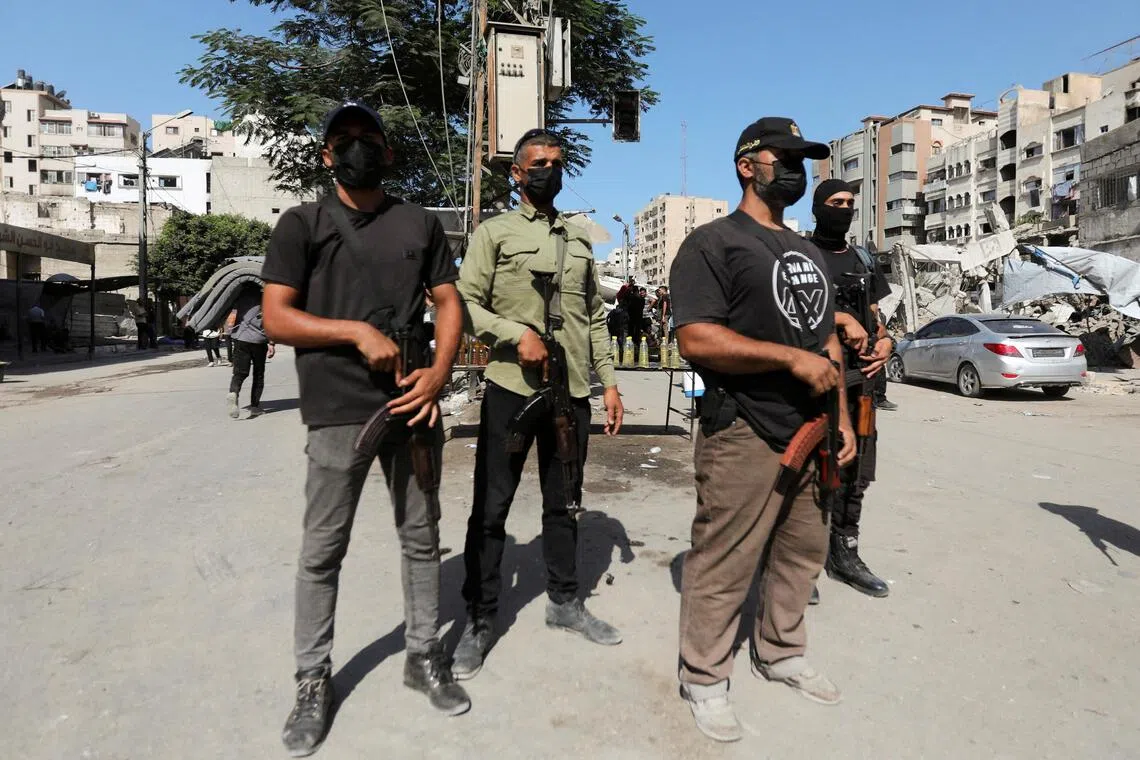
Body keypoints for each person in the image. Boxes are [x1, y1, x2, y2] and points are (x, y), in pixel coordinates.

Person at [261, 100, 470, 757]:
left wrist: (439, 374)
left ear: (386, 149)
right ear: (327, 155)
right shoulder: (303, 223)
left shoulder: (417, 222)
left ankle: (421, 654)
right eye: (344, 140)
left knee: (420, 536)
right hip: (336, 410)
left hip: (412, 405)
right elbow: (276, 317)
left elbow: (448, 300)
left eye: (368, 137)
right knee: (323, 549)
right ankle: (312, 679)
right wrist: (353, 331)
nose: (357, 147)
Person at [669, 117, 856, 742]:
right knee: (726, 555)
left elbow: (824, 335)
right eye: (786, 157)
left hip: (814, 428)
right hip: (743, 427)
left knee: (803, 550)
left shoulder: (804, 250)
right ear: (747, 164)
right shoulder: (712, 243)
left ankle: (779, 651)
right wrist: (785, 359)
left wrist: (844, 418)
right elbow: (696, 337)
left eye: (805, 158)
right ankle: (704, 677)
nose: (797, 169)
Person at [453, 127, 626, 680]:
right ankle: (479, 618)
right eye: (538, 162)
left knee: (565, 501)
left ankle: (564, 601)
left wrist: (610, 381)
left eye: (556, 162)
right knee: (493, 506)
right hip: (512, 387)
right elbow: (463, 302)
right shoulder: (494, 232)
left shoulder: (577, 240)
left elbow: (594, 316)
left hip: (570, 393)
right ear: (517, 172)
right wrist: (514, 334)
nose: (549, 170)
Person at [810, 179, 894, 598]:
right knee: (816, 470)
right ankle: (801, 558)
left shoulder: (863, 258)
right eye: (835, 202)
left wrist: (886, 343)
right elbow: (792, 321)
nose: (844, 209)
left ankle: (844, 552)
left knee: (856, 473)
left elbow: (879, 318)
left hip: (863, 386)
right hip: (817, 382)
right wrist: (838, 318)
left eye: (849, 203)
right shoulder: (802, 257)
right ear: (817, 208)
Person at [226, 285, 275, 419]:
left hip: (241, 338)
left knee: (239, 372)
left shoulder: (240, 297)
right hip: (259, 341)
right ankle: (255, 407)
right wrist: (271, 343)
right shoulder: (266, 299)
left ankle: (234, 392)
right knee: (258, 375)